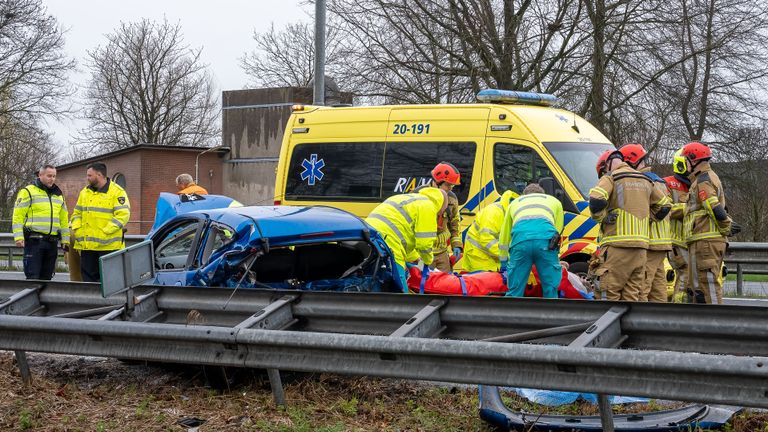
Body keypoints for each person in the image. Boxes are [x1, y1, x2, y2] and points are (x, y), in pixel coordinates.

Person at [588, 150, 671, 301]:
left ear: (606, 165)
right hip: (641, 250)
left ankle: (609, 325)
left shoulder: (611, 177)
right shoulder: (646, 180)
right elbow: (665, 206)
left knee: (608, 293)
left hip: (617, 246)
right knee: (632, 297)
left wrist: (603, 217)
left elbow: (596, 201)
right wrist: (648, 218)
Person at [365, 187, 446, 292]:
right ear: (440, 206)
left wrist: (416, 258)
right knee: (401, 289)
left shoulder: (406, 198)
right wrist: (427, 261)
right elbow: (424, 244)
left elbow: (404, 238)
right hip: (389, 242)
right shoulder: (429, 206)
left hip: (369, 235)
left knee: (374, 277)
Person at [619, 144, 672, 302]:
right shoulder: (657, 179)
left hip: (650, 241)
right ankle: (658, 322)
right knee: (658, 289)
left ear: (630, 162)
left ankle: (640, 322)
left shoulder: (641, 180)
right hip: (661, 242)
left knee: (642, 287)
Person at [681, 142, 731, 304]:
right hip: (701, 241)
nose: (685, 164)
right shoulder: (703, 178)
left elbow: (714, 207)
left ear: (693, 159)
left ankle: (716, 324)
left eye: (686, 160)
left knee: (707, 285)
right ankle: (704, 325)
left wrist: (726, 227)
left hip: (706, 242)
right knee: (699, 289)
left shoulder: (703, 180)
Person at [499, 183, 564, 298]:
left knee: (515, 289)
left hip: (520, 241)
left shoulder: (514, 203)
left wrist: (504, 262)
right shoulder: (554, 201)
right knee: (550, 287)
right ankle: (551, 313)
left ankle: (510, 313)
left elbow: (504, 236)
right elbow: (557, 231)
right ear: (542, 194)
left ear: (524, 195)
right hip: (545, 241)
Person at [71, 162, 131, 282]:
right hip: (87, 246)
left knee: (109, 281)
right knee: (88, 281)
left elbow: (123, 215)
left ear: (99, 175)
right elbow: (77, 213)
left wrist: (105, 231)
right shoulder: (85, 192)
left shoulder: (117, 192)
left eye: (89, 175)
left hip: (108, 246)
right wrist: (77, 230)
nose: (87, 178)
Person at [11, 164, 69, 280]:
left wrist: (65, 240)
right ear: (40, 175)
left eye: (54, 176)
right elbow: (18, 216)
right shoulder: (28, 191)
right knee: (33, 278)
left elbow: (63, 219)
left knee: (47, 279)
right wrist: (18, 237)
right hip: (34, 242)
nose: (52, 179)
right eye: (49, 176)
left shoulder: (58, 194)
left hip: (52, 243)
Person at [422, 162, 462, 272]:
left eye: (452, 186)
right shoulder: (420, 195)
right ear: (437, 183)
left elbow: (454, 223)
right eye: (448, 185)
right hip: (424, 253)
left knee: (445, 284)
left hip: (442, 253)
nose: (450, 188)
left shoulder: (452, 199)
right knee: (422, 285)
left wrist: (456, 245)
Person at [462, 190, 515, 272]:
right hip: (478, 255)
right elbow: (486, 240)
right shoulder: (493, 213)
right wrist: (508, 255)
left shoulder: (510, 214)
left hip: (493, 256)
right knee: (484, 283)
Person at [664, 149, 691, 301]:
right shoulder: (667, 183)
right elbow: (666, 209)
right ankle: (679, 310)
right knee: (685, 276)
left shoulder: (699, 183)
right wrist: (690, 207)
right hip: (676, 241)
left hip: (694, 240)